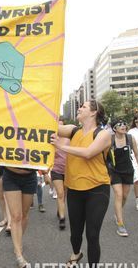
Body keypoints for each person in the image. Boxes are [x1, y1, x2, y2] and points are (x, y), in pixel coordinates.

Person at [51, 100, 111, 267]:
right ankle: (76, 254)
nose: (79, 108)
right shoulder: (73, 130)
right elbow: (50, 126)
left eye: (83, 107)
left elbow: (88, 153)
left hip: (98, 189)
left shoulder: (103, 134)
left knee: (92, 234)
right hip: (75, 189)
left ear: (93, 112)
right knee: (75, 233)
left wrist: (61, 147)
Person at [109, 118, 138, 237]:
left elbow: (137, 154)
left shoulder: (130, 138)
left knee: (124, 196)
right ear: (114, 128)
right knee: (118, 195)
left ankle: (118, 213)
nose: (123, 126)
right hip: (115, 171)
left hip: (128, 171)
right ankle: (120, 223)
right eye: (120, 124)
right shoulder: (110, 139)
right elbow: (104, 156)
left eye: (124, 123)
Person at [2, 166, 37, 268]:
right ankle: (18, 254)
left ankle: (18, 243)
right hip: (10, 176)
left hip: (30, 176)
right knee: (16, 216)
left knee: (24, 215)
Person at [50, 118, 69, 230]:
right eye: (58, 126)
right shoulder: (52, 139)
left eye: (62, 126)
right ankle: (62, 218)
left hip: (68, 170)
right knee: (60, 193)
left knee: (64, 194)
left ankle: (59, 210)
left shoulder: (69, 138)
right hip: (56, 169)